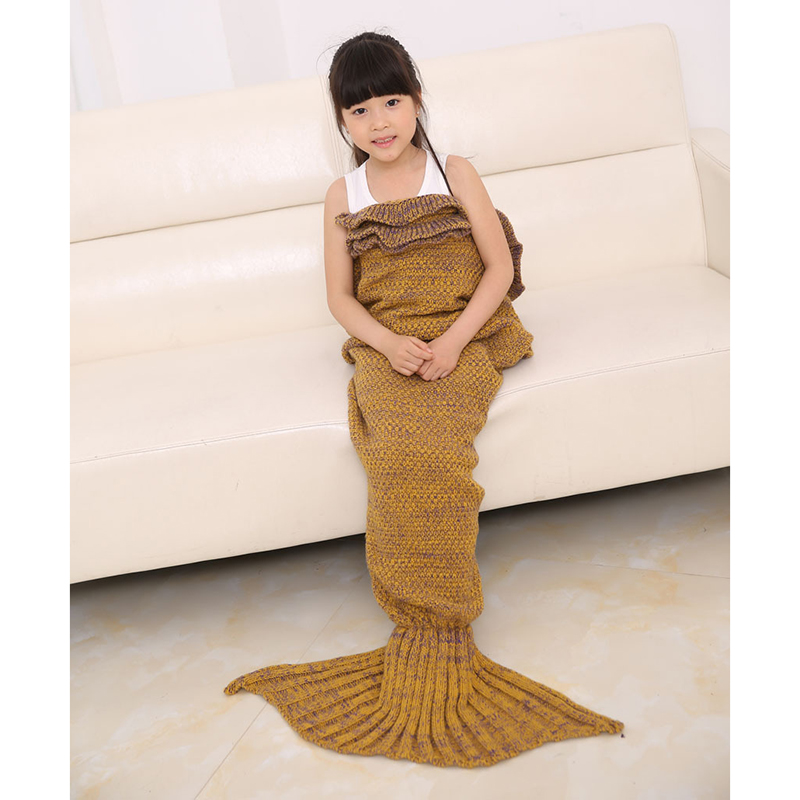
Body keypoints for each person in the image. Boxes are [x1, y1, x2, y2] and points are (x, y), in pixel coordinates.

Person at [225, 30, 624, 768]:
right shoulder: (342, 196)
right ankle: (420, 618)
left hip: (467, 332)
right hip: (390, 343)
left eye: (390, 101)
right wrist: (388, 344)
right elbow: (341, 299)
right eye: (358, 110)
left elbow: (498, 268)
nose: (378, 121)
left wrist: (453, 343)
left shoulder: (454, 171)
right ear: (340, 121)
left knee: (435, 444)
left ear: (415, 100)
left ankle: (441, 619)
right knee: (396, 447)